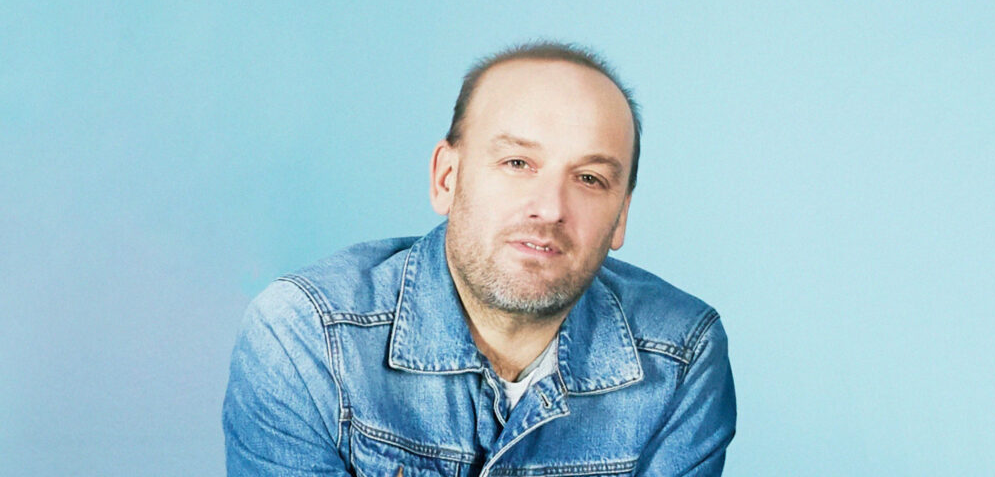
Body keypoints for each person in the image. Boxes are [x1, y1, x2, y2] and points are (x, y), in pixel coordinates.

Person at [223, 41, 736, 476]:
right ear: (446, 178)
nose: (550, 208)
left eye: (589, 178)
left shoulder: (682, 357)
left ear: (620, 216)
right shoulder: (304, 336)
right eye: (518, 162)